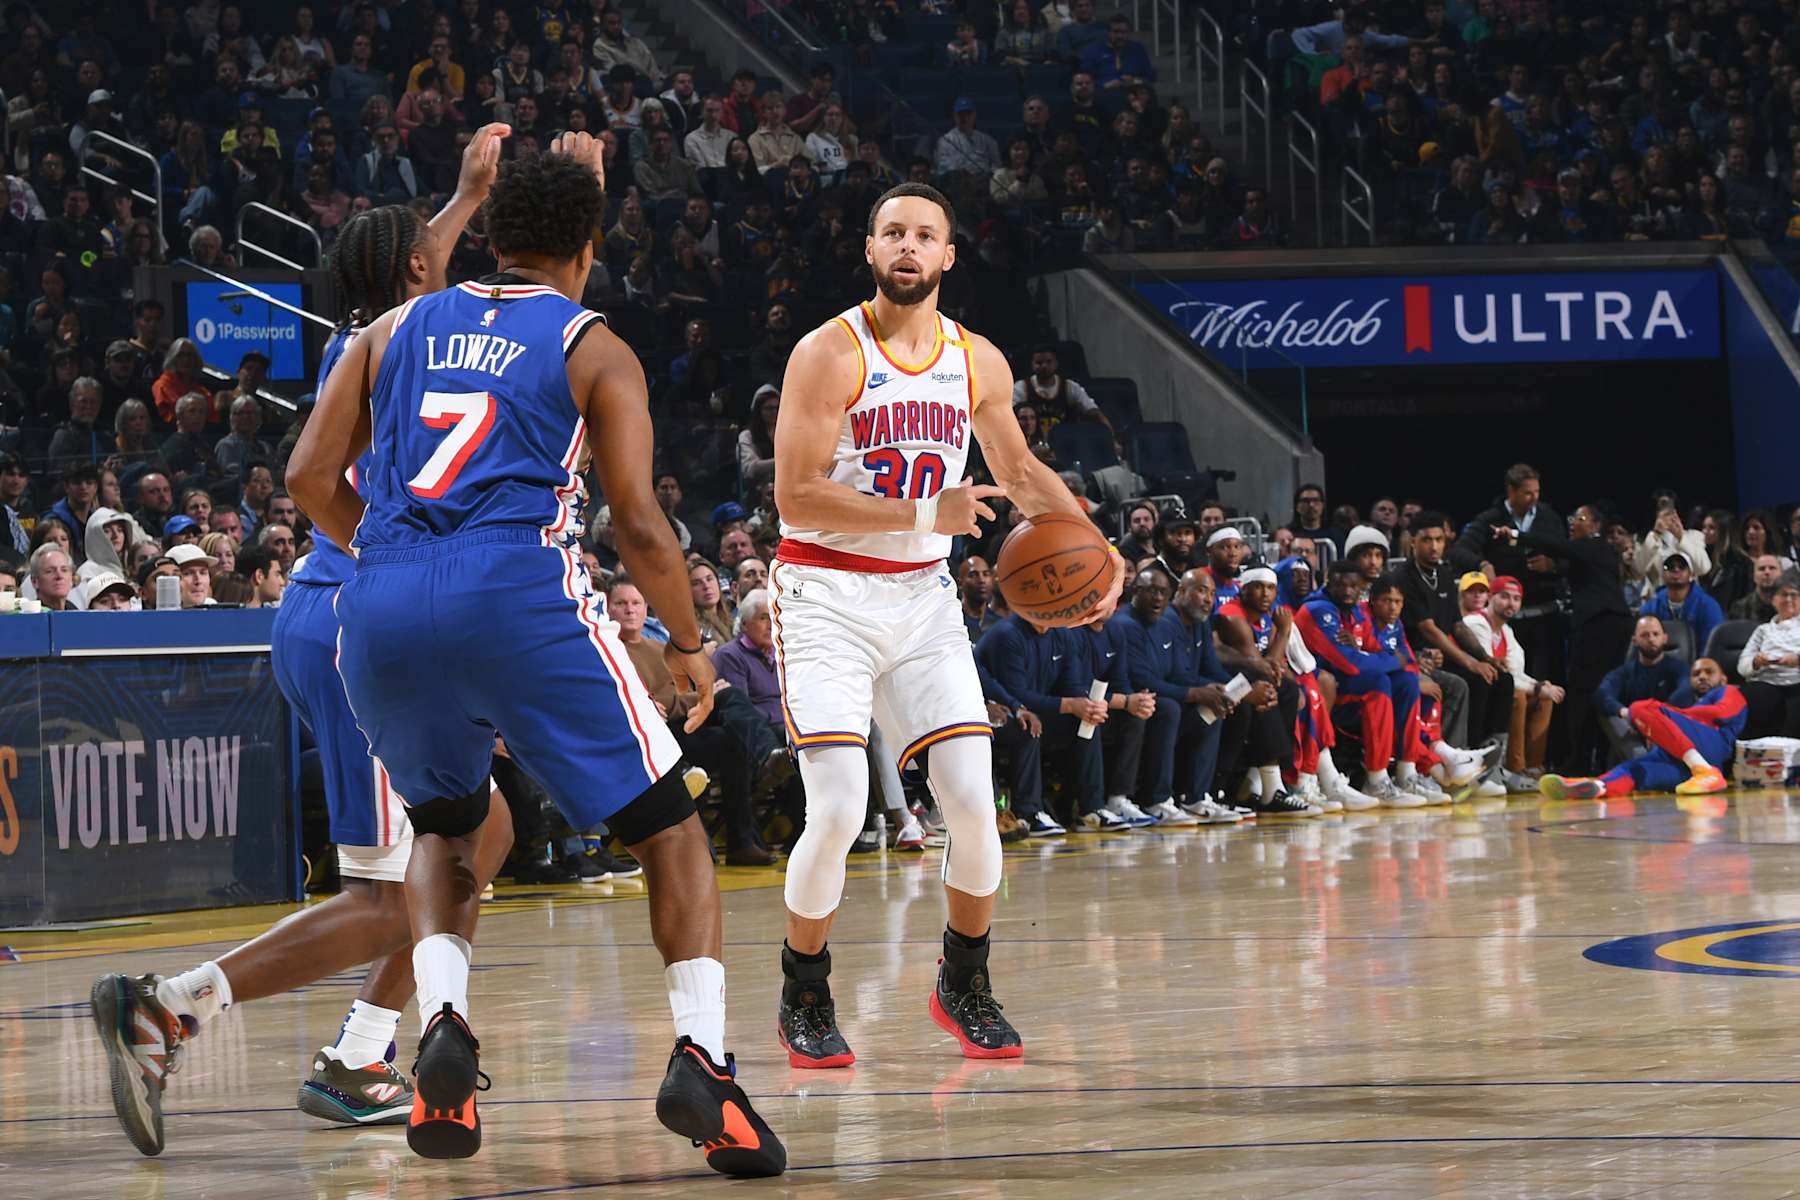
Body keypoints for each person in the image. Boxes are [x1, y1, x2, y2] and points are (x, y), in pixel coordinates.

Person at [287, 133, 783, 1174]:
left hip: (376, 597)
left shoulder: (393, 325)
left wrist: (383, 551)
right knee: (670, 831)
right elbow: (641, 525)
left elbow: (305, 478)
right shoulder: (592, 343)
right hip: (512, 584)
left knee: (451, 827)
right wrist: (688, 643)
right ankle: (704, 1060)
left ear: (490, 234)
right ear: (590, 247)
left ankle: (445, 1035)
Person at [768, 182, 1122, 1069]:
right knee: (842, 808)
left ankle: (963, 981)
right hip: (825, 594)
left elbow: (1021, 469)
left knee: (972, 801)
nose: (909, 247)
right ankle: (803, 992)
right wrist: (930, 508)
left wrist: (1099, 548)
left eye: (926, 235)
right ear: (871, 248)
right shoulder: (828, 353)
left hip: (922, 597)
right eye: (894, 233)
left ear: (949, 255)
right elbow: (795, 495)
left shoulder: (979, 362)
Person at [1296, 559, 1432, 807]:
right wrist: (1391, 659)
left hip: (1341, 684)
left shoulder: (1356, 612)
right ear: (1328, 583)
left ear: (1361, 588)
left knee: (1407, 682)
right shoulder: (1318, 610)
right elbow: (1351, 664)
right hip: (1322, 687)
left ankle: (1406, 773)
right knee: (1378, 682)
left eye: (1353, 586)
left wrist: (1379, 657)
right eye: (1340, 585)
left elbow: (1386, 655)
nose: (1347, 591)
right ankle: (1376, 779)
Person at [1542, 657, 1744, 798]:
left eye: (1709, 672)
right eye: (1696, 673)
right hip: (1682, 764)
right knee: (1634, 769)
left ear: (1723, 678)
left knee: (1641, 708)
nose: (1702, 676)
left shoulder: (1729, 691)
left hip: (1713, 744)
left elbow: (1721, 712)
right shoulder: (1688, 703)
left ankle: (1704, 769)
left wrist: (1666, 713)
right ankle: (1595, 786)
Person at [1463, 575, 1563, 789]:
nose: (1511, 603)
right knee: (1516, 694)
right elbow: (1499, 676)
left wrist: (1541, 686)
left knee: (1543, 699)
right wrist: (1536, 688)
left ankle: (1534, 769)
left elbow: (1518, 673)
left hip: (1499, 688)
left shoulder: (1507, 631)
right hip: (1479, 692)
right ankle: (1513, 768)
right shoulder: (1475, 623)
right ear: (1491, 597)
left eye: (1516, 599)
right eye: (1505, 597)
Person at [1596, 616, 1693, 764]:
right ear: (1634, 640)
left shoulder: (1679, 669)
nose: (1651, 639)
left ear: (1665, 638)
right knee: (1608, 714)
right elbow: (1602, 694)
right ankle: (1644, 763)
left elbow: (1685, 693)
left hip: (1666, 730)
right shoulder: (1625, 672)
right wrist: (1626, 713)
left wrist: (1653, 723)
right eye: (1644, 635)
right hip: (1634, 730)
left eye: (1656, 634)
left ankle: (1644, 765)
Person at [1737, 573, 1800, 738]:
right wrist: (1756, 662)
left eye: (1794, 594)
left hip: (1796, 681)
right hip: (1766, 682)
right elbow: (1742, 666)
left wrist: (1797, 659)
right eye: (1783, 595)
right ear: (1773, 600)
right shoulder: (1763, 630)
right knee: (1754, 697)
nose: (1788, 599)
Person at [1641, 552, 1725, 657]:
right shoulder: (1651, 606)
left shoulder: (1709, 606)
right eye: (1670, 567)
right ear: (1662, 574)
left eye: (1682, 567)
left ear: (1691, 574)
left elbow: (1711, 647)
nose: (1676, 570)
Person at [1732, 554, 1786, 623]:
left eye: (1772, 568)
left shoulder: (1791, 606)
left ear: (1782, 574)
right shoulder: (1740, 607)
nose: (1767, 572)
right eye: (1761, 569)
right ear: (1753, 576)